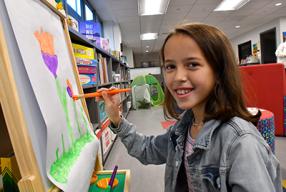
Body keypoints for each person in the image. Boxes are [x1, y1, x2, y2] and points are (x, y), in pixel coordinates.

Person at [99, 23, 282, 192]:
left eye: (192, 64)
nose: (178, 76)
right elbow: (148, 150)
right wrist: (116, 118)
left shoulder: (241, 142)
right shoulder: (183, 129)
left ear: (219, 72)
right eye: (170, 66)